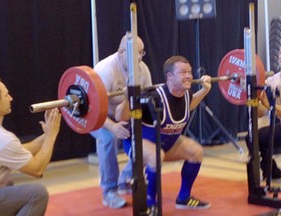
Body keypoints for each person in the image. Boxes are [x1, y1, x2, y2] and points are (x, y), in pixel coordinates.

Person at [115, 55, 211, 211]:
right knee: (155, 155)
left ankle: (183, 198)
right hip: (137, 143)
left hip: (166, 144)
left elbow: (189, 105)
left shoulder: (186, 94)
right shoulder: (154, 97)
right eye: (182, 72)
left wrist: (205, 90)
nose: (188, 76)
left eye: (189, 72)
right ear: (169, 76)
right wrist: (127, 98)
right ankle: (150, 205)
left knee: (196, 151)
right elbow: (121, 117)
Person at [90, 33, 152, 208]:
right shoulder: (105, 70)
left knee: (148, 135)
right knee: (109, 139)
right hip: (94, 115)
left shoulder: (142, 70)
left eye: (141, 52)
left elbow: (145, 101)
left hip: (123, 114)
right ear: (121, 52)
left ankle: (125, 178)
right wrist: (112, 127)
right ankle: (109, 191)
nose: (139, 57)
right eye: (135, 53)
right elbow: (93, 109)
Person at [0, 78, 61, 215]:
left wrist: (47, 133)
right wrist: (51, 136)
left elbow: (20, 150)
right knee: (37, 194)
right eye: (6, 95)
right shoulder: (0, 137)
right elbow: (37, 170)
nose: (11, 98)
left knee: (7, 185)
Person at [255, 47, 281, 179]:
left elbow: (269, 106)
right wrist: (250, 98)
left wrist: (269, 105)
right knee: (254, 137)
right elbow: (260, 113)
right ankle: (271, 171)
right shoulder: (273, 81)